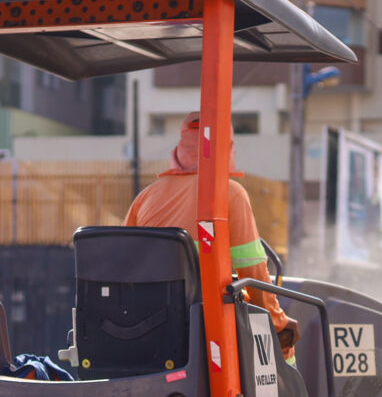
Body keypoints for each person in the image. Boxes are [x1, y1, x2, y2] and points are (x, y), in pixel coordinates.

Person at [125, 112, 297, 357]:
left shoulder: (145, 198)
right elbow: (253, 274)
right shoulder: (230, 194)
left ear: (179, 149)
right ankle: (288, 396)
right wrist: (280, 325)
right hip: (208, 329)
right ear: (227, 149)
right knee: (285, 346)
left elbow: (124, 266)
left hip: (147, 326)